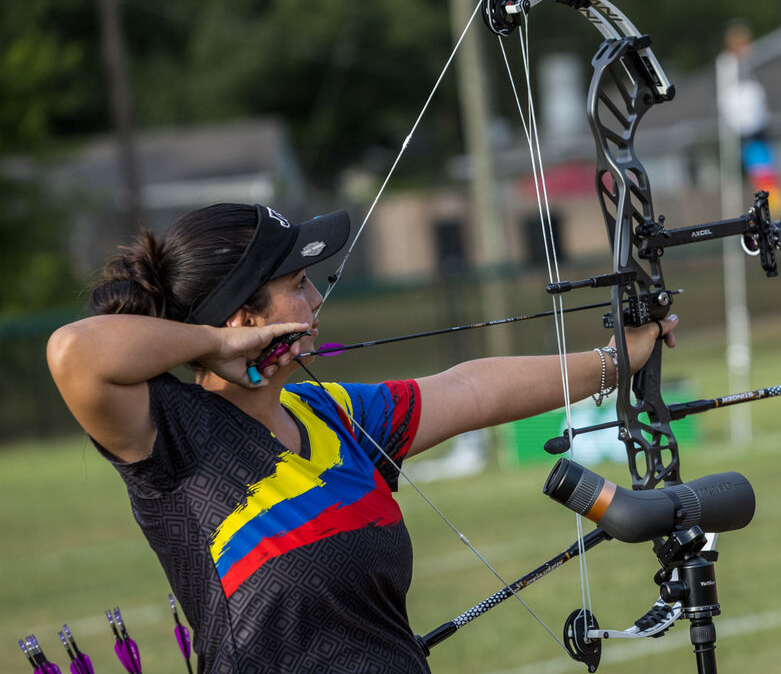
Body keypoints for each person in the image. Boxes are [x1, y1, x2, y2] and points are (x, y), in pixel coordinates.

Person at [46, 202, 677, 673]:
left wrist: (618, 358)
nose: (316, 299)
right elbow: (75, 351)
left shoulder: (336, 414)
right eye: (296, 284)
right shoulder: (172, 440)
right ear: (244, 319)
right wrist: (216, 344)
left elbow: (471, 390)